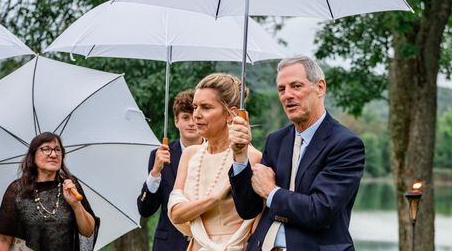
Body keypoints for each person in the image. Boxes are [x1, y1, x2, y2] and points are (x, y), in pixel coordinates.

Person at [228, 55, 365, 251]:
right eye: (282, 89)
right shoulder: (276, 140)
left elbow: (320, 211)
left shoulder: (346, 144)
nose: (287, 95)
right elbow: (247, 209)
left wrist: (271, 191)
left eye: (296, 86)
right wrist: (240, 156)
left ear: (320, 87)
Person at [168, 73, 262, 251]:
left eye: (206, 107)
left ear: (230, 114)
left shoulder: (254, 157)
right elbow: (175, 214)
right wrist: (215, 197)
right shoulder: (189, 154)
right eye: (195, 107)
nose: (196, 115)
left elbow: (256, 221)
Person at [0, 132, 98, 251]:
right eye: (46, 149)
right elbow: (3, 240)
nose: (53, 154)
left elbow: (88, 231)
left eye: (57, 150)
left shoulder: (69, 186)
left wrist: (76, 205)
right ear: (33, 156)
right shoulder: (17, 190)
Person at [138, 89, 203, 251]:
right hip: (169, 244)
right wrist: (155, 172)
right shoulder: (160, 155)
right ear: (176, 121)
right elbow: (145, 209)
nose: (191, 123)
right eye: (185, 118)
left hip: (205, 242)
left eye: (195, 117)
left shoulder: (216, 153)